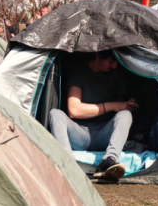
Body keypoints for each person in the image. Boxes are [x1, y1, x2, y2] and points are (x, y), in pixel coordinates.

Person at [49, 51, 138, 180]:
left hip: (104, 134)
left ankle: (109, 161)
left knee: (125, 115)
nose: (114, 66)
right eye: (111, 61)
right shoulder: (79, 72)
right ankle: (68, 163)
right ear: (97, 56)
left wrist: (127, 105)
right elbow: (74, 110)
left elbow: (120, 109)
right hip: (79, 134)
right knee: (55, 114)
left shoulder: (115, 75)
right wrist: (113, 105)